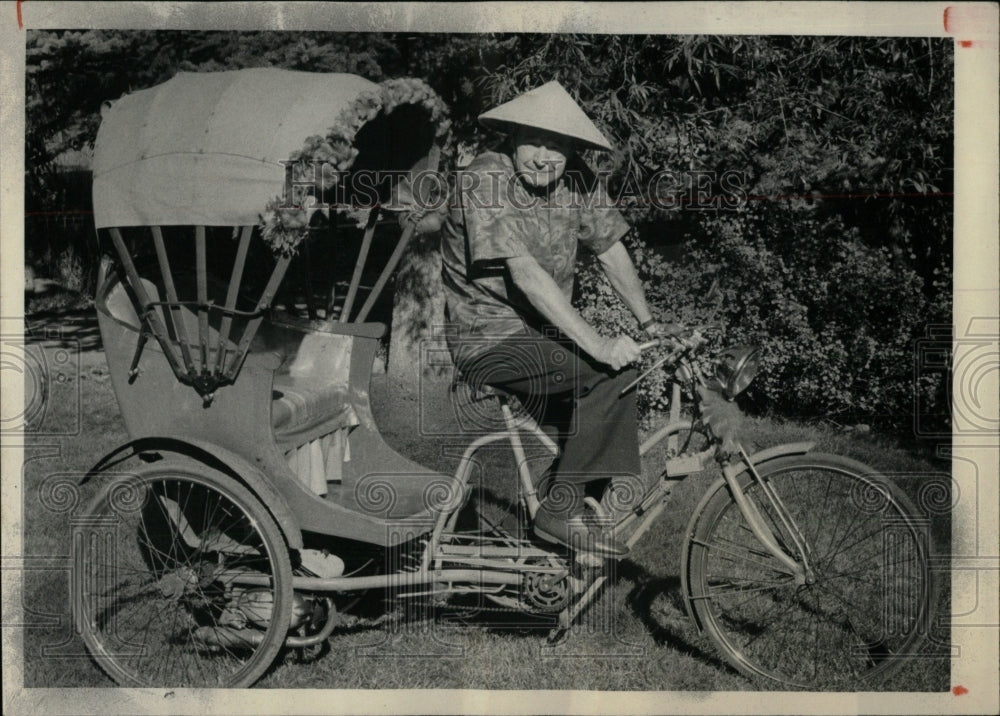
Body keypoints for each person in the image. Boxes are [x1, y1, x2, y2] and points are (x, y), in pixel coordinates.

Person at [440, 81, 669, 557]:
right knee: (612, 378)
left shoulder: (578, 180)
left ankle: (555, 528)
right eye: (534, 141)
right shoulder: (487, 177)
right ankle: (558, 515)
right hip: (488, 337)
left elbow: (610, 249)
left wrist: (649, 325)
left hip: (539, 336)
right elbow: (523, 273)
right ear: (511, 136)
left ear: (572, 149)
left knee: (607, 415)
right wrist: (600, 344)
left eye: (558, 145)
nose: (545, 157)